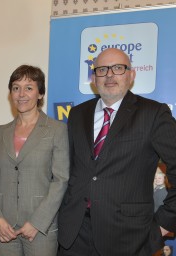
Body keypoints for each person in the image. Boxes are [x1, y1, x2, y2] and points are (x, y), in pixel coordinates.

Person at [58, 47, 176, 256]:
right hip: (75, 235)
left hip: (128, 237)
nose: (109, 75)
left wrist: (164, 224)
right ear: (94, 78)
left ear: (131, 75)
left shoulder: (154, 114)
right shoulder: (77, 114)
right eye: (102, 69)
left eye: (118, 68)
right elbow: (70, 170)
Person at [0, 65, 69, 256]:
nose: (21, 94)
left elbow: (61, 180)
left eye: (29, 88)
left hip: (40, 229)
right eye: (16, 88)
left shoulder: (57, 130)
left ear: (40, 94)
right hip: (4, 229)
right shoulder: (1, 132)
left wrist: (37, 222)